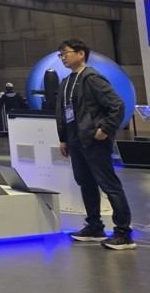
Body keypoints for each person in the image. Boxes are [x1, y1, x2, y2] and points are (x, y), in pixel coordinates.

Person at [54, 38, 136, 249]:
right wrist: (63, 138)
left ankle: (123, 233)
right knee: (86, 183)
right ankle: (94, 226)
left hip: (94, 142)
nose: (63, 57)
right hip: (75, 141)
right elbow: (63, 113)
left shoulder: (92, 78)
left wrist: (105, 130)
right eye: (61, 54)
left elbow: (117, 105)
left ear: (81, 53)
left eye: (66, 53)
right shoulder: (66, 82)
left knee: (109, 185)